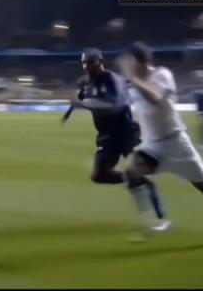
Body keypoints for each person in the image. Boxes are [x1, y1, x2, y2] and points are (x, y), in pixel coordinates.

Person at [120, 43, 203, 240]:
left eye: (131, 62)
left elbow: (155, 98)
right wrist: (138, 131)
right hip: (153, 145)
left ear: (143, 61)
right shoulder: (132, 85)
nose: (128, 66)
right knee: (131, 172)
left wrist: (133, 79)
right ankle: (153, 223)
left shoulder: (161, 74)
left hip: (177, 144)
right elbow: (141, 109)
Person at [62, 49, 169, 231]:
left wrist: (84, 104)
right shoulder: (85, 81)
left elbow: (115, 105)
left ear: (101, 61)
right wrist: (69, 111)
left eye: (91, 62)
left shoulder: (113, 80)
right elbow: (79, 96)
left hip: (126, 133)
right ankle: (132, 177)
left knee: (140, 169)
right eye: (84, 63)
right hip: (106, 135)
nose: (87, 66)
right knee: (99, 175)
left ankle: (160, 218)